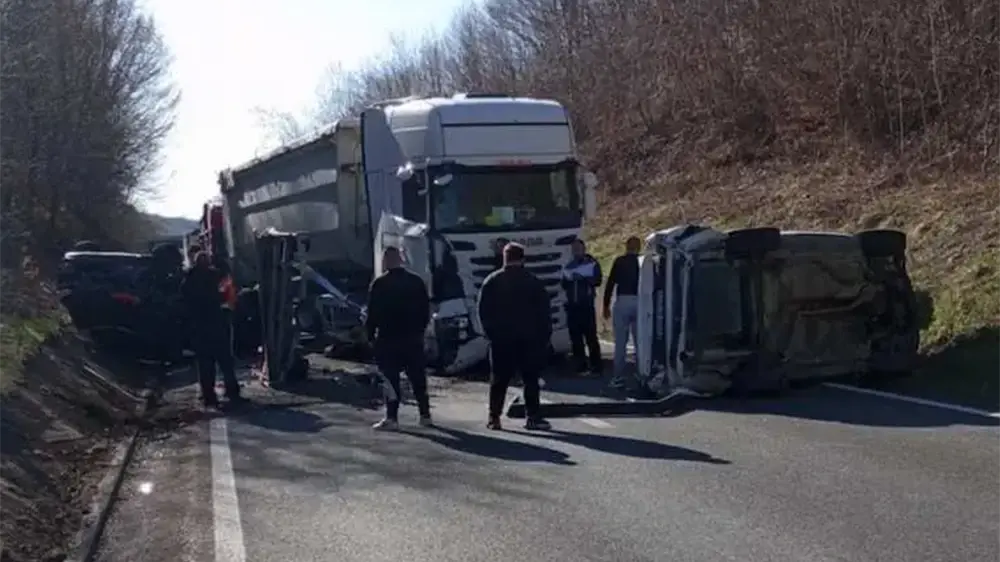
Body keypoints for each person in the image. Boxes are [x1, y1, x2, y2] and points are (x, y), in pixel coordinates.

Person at [478, 242, 552, 430]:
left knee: (499, 380)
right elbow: (544, 312)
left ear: (504, 258)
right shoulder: (533, 282)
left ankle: (494, 417)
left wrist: (490, 333)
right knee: (530, 379)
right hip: (529, 339)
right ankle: (533, 417)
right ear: (523, 259)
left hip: (501, 339)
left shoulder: (492, 281)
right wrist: (544, 337)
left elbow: (483, 310)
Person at [365, 246, 433, 430]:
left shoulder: (380, 284)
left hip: (388, 338)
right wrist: (421, 331)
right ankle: (425, 415)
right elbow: (425, 310)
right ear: (401, 260)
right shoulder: (416, 282)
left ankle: (392, 417)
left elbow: (373, 314)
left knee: (391, 379)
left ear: (386, 261)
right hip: (412, 338)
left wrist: (370, 336)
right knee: (418, 378)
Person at [181, 251, 242, 407]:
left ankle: (209, 396)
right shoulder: (215, 277)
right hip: (217, 324)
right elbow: (223, 296)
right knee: (225, 361)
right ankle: (232, 392)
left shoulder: (188, 280)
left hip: (199, 327)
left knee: (205, 364)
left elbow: (185, 303)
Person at [603, 236, 641, 388]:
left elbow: (610, 283)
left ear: (626, 247)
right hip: (640, 301)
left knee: (620, 342)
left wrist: (605, 305)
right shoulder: (643, 262)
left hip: (622, 300)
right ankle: (641, 374)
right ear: (639, 247)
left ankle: (618, 376)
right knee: (640, 341)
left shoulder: (619, 261)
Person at [561, 238, 603, 375]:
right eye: (574, 249)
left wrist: (583, 278)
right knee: (576, 338)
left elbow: (598, 281)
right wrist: (568, 278)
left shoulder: (591, 263)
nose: (576, 251)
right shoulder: (569, 265)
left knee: (591, 336)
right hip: (572, 306)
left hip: (586, 305)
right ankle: (580, 365)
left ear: (584, 249)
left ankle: (596, 365)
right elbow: (563, 284)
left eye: (578, 248)